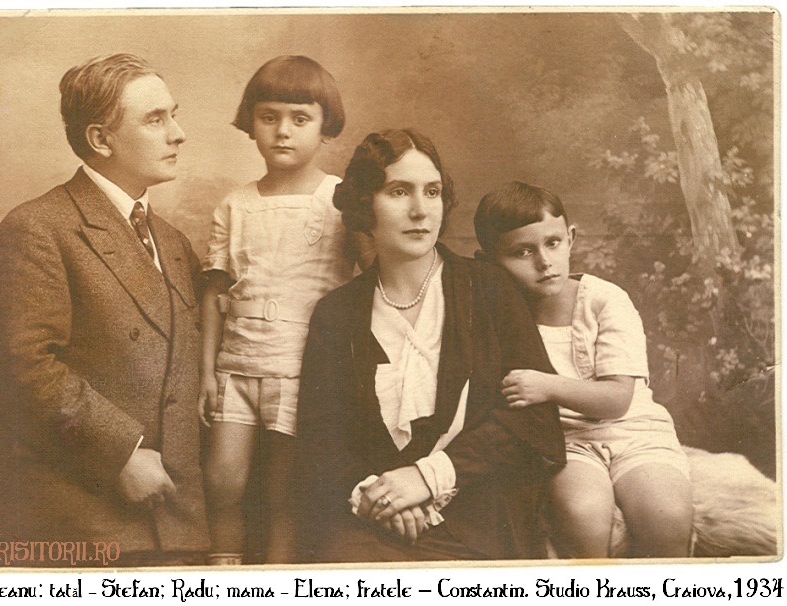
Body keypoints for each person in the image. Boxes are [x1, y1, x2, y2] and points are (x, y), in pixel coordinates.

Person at [0, 53, 209, 567]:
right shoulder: (38, 228)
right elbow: (22, 369)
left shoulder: (173, 243)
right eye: (155, 119)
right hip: (59, 523)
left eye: (174, 115)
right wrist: (121, 453)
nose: (178, 133)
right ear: (101, 139)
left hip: (166, 521)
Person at [294, 129, 566, 563]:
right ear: (365, 204)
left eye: (433, 192)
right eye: (399, 191)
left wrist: (426, 477)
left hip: (479, 518)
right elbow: (321, 440)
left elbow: (536, 425)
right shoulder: (337, 314)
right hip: (373, 523)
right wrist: (376, 495)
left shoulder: (489, 289)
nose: (421, 210)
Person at [474, 180, 693, 558]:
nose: (544, 261)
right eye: (522, 252)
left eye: (553, 243)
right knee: (583, 514)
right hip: (565, 441)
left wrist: (548, 386)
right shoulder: (496, 314)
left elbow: (617, 399)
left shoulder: (605, 300)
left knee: (667, 516)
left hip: (635, 431)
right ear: (490, 260)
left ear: (571, 238)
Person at [199, 55, 355, 565]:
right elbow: (214, 292)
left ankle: (277, 577)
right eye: (269, 117)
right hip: (237, 367)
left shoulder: (338, 200)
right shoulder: (235, 205)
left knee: (285, 490)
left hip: (301, 369)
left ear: (325, 126)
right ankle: (224, 570)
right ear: (251, 122)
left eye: (299, 118)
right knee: (223, 482)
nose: (282, 131)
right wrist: (207, 372)